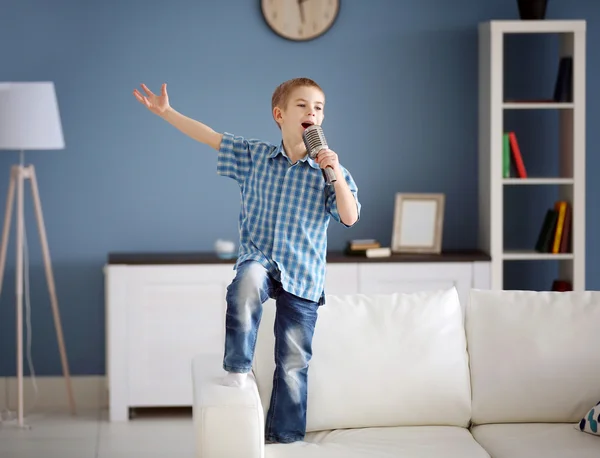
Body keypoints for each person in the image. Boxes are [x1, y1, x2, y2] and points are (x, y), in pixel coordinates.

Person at [133, 77, 361, 443]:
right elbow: (209, 136)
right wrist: (167, 112)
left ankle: (284, 441)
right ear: (280, 114)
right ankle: (238, 368)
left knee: (293, 364)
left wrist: (333, 173)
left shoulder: (328, 173)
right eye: (302, 105)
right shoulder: (255, 156)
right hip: (260, 257)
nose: (312, 112)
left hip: (302, 274)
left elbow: (349, 217)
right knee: (248, 280)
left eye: (318, 108)